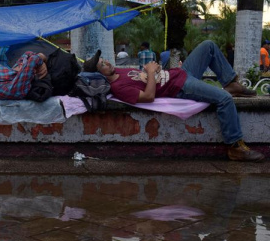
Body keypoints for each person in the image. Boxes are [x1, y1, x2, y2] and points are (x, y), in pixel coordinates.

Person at [83, 40, 263, 162]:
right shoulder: (118, 88)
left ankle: (231, 83)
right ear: (100, 74)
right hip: (181, 86)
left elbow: (145, 76)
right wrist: (152, 73)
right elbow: (148, 96)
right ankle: (234, 146)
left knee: (208, 45)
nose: (107, 62)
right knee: (224, 98)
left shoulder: (120, 71)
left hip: (181, 72)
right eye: (102, 65)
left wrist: (154, 70)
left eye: (104, 60)